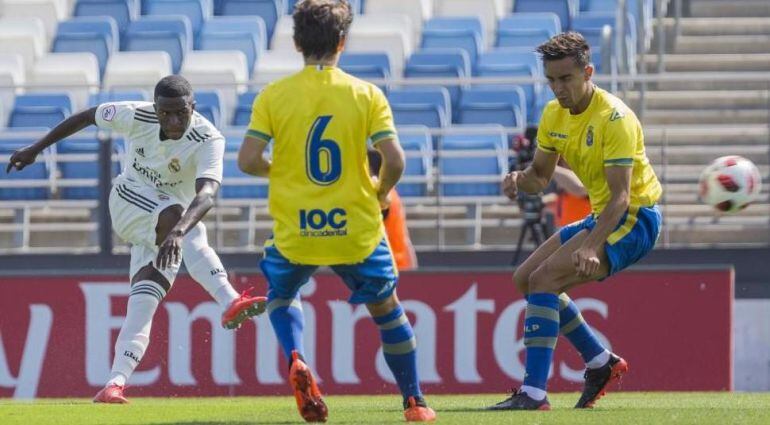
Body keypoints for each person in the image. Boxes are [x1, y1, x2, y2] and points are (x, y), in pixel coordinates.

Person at [6, 75, 267, 403]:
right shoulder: (135, 114)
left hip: (166, 229)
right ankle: (229, 300)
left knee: (144, 300)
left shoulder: (208, 137)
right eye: (166, 113)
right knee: (181, 221)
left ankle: (115, 383)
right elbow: (87, 116)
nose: (173, 121)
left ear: (194, 108)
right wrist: (35, 149)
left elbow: (208, 194)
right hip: (129, 202)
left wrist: (176, 232)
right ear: (155, 108)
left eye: (181, 113)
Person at [237, 0, 436, 422]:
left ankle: (296, 357)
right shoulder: (365, 94)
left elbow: (249, 159)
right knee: (387, 310)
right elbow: (395, 159)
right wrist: (381, 193)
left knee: (281, 296)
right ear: (343, 42)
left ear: (296, 43)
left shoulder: (274, 95)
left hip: (297, 229)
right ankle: (415, 402)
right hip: (357, 229)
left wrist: (283, 170)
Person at [487, 32, 662, 411]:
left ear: (588, 72)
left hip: (636, 218)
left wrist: (590, 244)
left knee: (544, 280)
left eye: (566, 79)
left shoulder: (615, 118)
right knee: (525, 279)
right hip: (604, 215)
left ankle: (534, 393)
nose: (558, 89)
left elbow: (622, 197)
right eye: (551, 80)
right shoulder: (553, 114)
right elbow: (539, 176)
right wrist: (519, 181)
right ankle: (600, 362)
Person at [368, 149, 418, 271]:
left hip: (386, 269)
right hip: (399, 267)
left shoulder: (380, 197)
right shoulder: (392, 194)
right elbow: (406, 239)